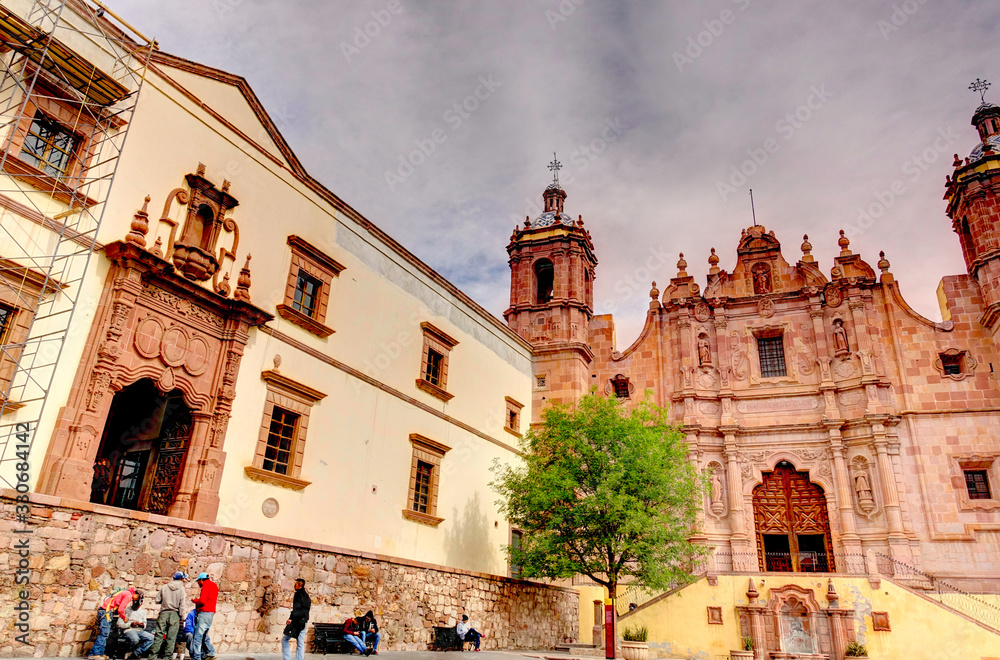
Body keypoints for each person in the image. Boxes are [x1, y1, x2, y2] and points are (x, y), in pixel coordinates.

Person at [90, 585, 136, 660]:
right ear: (135, 594)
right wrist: (124, 618)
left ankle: (100, 653)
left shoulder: (124, 592)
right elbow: (121, 609)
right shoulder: (129, 595)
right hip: (107, 612)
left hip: (105, 611)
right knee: (104, 634)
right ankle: (95, 653)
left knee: (105, 633)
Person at [150, 572, 186, 659]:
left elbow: (157, 600)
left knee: (159, 635)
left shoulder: (164, 587)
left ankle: (152, 656)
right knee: (171, 638)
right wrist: (182, 616)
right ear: (181, 579)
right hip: (174, 614)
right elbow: (182, 604)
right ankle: (167, 657)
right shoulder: (181, 589)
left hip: (163, 613)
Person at [119, 591, 155, 659]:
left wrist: (142, 625)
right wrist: (130, 624)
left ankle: (136, 652)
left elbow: (144, 623)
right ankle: (130, 651)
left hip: (139, 630)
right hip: (129, 630)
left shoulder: (142, 612)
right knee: (135, 639)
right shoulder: (126, 610)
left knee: (151, 638)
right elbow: (119, 624)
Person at [282, 579, 312, 660]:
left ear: (299, 585)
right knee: (300, 643)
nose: (294, 586)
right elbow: (306, 610)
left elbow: (296, 608)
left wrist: (291, 618)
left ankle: (287, 658)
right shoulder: (306, 596)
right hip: (303, 622)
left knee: (285, 639)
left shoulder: (298, 594)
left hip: (296, 622)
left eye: (295, 585)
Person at [191, 573, 218, 660]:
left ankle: (197, 657)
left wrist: (194, 600)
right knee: (204, 634)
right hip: (210, 612)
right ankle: (210, 652)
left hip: (204, 612)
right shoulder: (214, 585)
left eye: (198, 581)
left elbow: (202, 600)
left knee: (198, 636)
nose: (198, 583)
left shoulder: (206, 586)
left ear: (201, 580)